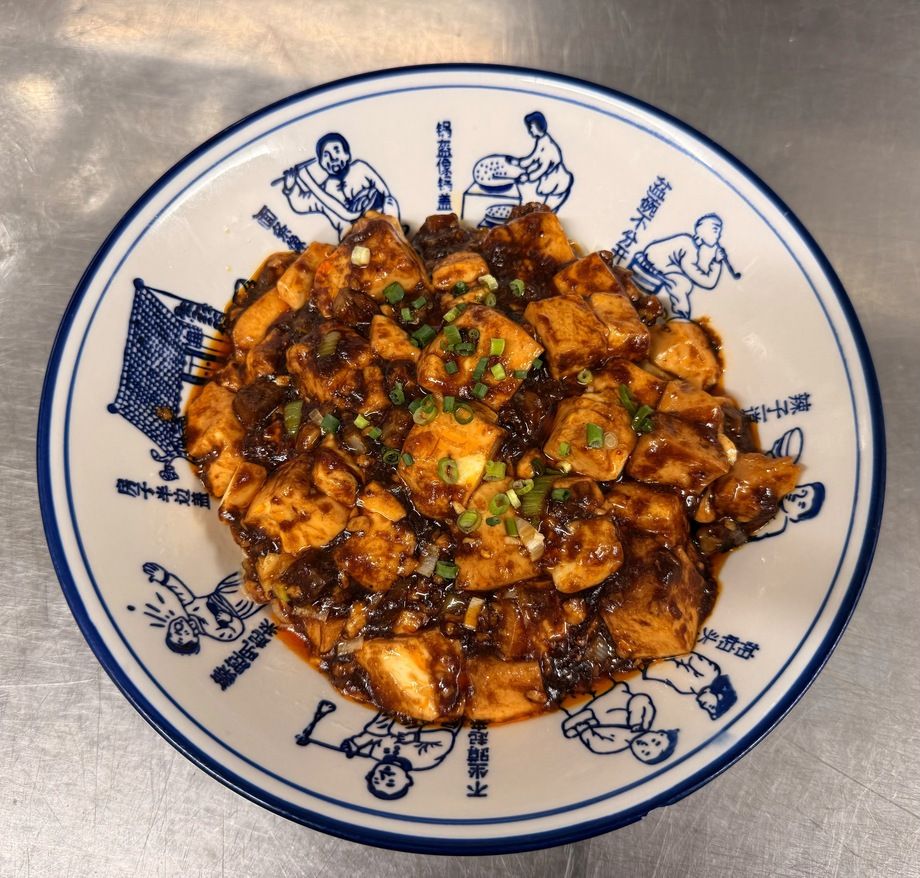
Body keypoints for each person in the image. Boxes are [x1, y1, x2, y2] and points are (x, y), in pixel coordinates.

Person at [280, 132, 399, 237]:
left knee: (390, 202)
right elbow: (301, 204)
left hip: (386, 230)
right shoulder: (324, 190)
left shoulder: (361, 168)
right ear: (321, 163)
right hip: (350, 245)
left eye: (336, 150)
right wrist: (289, 188)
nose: (332, 158)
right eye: (326, 155)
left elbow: (384, 192)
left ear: (347, 154)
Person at [142, 562, 261, 654]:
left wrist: (164, 577)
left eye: (172, 633)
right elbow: (235, 631)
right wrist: (229, 619)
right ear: (194, 639)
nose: (178, 631)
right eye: (180, 638)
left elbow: (180, 592)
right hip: (240, 606)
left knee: (249, 571)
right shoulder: (213, 631)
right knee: (259, 589)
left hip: (224, 590)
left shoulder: (190, 609)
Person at [339, 713, 460, 800]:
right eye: (391, 782)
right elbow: (445, 738)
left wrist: (355, 743)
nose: (385, 776)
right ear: (407, 780)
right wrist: (414, 738)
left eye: (377, 779)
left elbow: (373, 733)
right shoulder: (424, 760)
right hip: (439, 717)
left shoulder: (376, 753)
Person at [629, 214, 727, 318]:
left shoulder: (688, 242)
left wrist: (716, 262)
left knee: (681, 282)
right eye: (715, 230)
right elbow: (705, 281)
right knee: (683, 284)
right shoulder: (688, 246)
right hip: (649, 267)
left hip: (653, 267)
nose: (718, 236)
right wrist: (717, 262)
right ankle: (681, 318)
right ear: (704, 230)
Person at [561, 681, 679, 764]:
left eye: (646, 753)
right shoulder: (643, 720)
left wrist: (584, 729)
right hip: (613, 692)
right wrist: (636, 722)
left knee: (569, 728)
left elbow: (597, 744)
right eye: (655, 742)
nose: (646, 745)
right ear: (660, 733)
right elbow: (641, 699)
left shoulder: (616, 745)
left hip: (591, 715)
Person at [508, 112, 573, 212]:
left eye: (531, 127)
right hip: (551, 181)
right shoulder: (541, 141)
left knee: (550, 211)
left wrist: (528, 177)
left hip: (558, 182)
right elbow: (533, 158)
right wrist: (518, 162)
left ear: (539, 126)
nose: (530, 130)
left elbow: (543, 167)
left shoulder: (548, 145)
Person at [642, 652, 737, 720]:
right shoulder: (711, 672)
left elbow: (662, 678)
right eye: (711, 707)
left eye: (707, 709)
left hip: (646, 661)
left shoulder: (688, 690)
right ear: (720, 696)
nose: (704, 706)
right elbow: (685, 654)